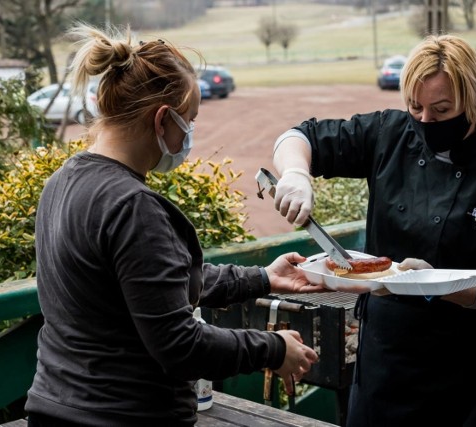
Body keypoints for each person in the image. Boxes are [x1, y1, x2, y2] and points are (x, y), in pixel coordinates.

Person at [25, 24, 323, 427]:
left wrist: (262, 278)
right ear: (162, 119)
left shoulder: (62, 181)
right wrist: (273, 348)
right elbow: (179, 345)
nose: (190, 134)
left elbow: (147, 285)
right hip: (125, 416)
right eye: (190, 120)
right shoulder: (132, 206)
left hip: (55, 408)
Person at [271, 34, 476, 426]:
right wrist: (297, 173)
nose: (424, 121)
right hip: (386, 355)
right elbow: (299, 137)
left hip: (463, 366)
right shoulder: (389, 133)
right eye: (415, 106)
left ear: (473, 101)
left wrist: (435, 283)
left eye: (441, 109)